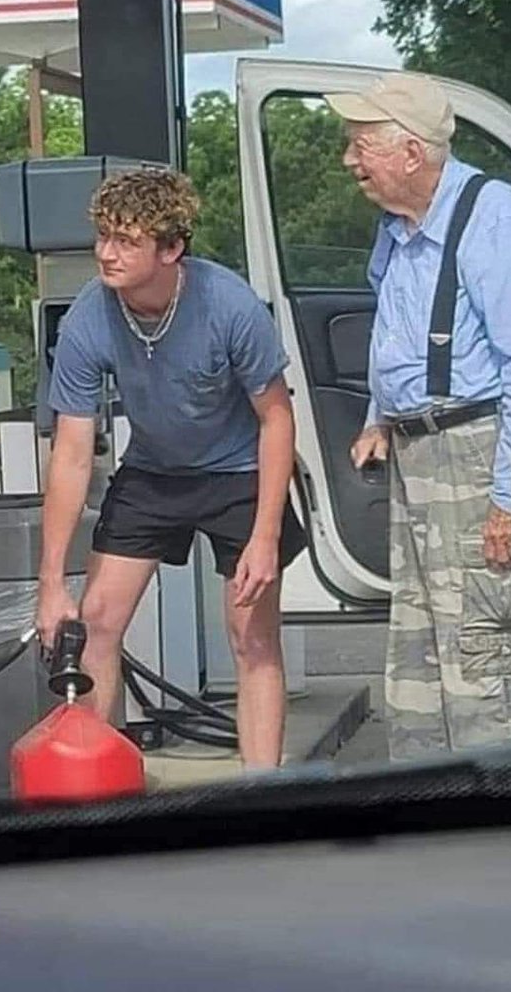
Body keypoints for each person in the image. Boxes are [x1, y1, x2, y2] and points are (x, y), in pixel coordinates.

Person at [36, 167, 306, 769]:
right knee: (95, 624)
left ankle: (263, 792)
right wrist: (50, 584)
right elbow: (72, 452)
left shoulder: (228, 304)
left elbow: (277, 420)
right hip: (153, 471)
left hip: (240, 473)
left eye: (126, 241)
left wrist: (265, 536)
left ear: (171, 248)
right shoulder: (87, 318)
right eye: (103, 236)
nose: (106, 254)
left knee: (252, 638)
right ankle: (102, 791)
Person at [324, 73, 511, 760]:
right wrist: (379, 415)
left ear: (411, 152)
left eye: (361, 145)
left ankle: (505, 792)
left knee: (479, 637)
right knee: (419, 640)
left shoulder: (490, 214)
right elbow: (397, 330)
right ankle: (431, 787)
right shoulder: (397, 227)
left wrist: (507, 499)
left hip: (474, 449)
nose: (349, 160)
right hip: (417, 451)